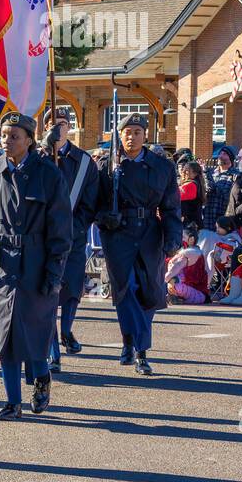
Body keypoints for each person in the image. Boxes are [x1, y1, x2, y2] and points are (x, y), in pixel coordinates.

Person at [0, 112, 70, 418]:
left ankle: (41, 379)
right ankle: (12, 401)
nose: (7, 140)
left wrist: (54, 274)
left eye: (14, 136)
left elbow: (61, 231)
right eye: (3, 135)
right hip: (0, 265)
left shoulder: (48, 175)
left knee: (34, 332)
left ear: (29, 139)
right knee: (4, 336)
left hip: (36, 263)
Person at [95, 113, 182, 375]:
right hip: (118, 233)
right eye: (126, 132)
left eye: (136, 131)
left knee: (149, 292)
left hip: (149, 234)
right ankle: (140, 349)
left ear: (146, 135)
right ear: (119, 135)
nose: (131, 137)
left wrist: (173, 238)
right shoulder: (107, 165)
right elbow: (93, 201)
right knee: (126, 290)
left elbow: (171, 207)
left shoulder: (161, 166)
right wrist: (103, 217)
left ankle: (130, 343)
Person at [41, 108, 101, 371]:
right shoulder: (36, 157)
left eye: (63, 123)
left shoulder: (85, 161)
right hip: (42, 238)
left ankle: (66, 330)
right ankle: (53, 351)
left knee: (72, 289)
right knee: (47, 294)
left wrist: (74, 228)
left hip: (74, 237)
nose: (58, 128)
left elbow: (90, 203)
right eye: (53, 123)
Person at [165, 225, 209, 305]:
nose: (181, 240)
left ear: (191, 239)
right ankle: (175, 297)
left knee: (172, 285)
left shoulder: (189, 254)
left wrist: (170, 280)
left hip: (196, 293)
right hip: (195, 292)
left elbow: (175, 271)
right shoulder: (192, 252)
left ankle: (175, 297)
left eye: (183, 237)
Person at [178, 159, 205, 229]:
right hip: (189, 222)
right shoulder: (191, 183)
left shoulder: (191, 185)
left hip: (190, 224)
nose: (184, 171)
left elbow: (175, 197)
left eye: (187, 170)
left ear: (195, 173)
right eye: (184, 169)